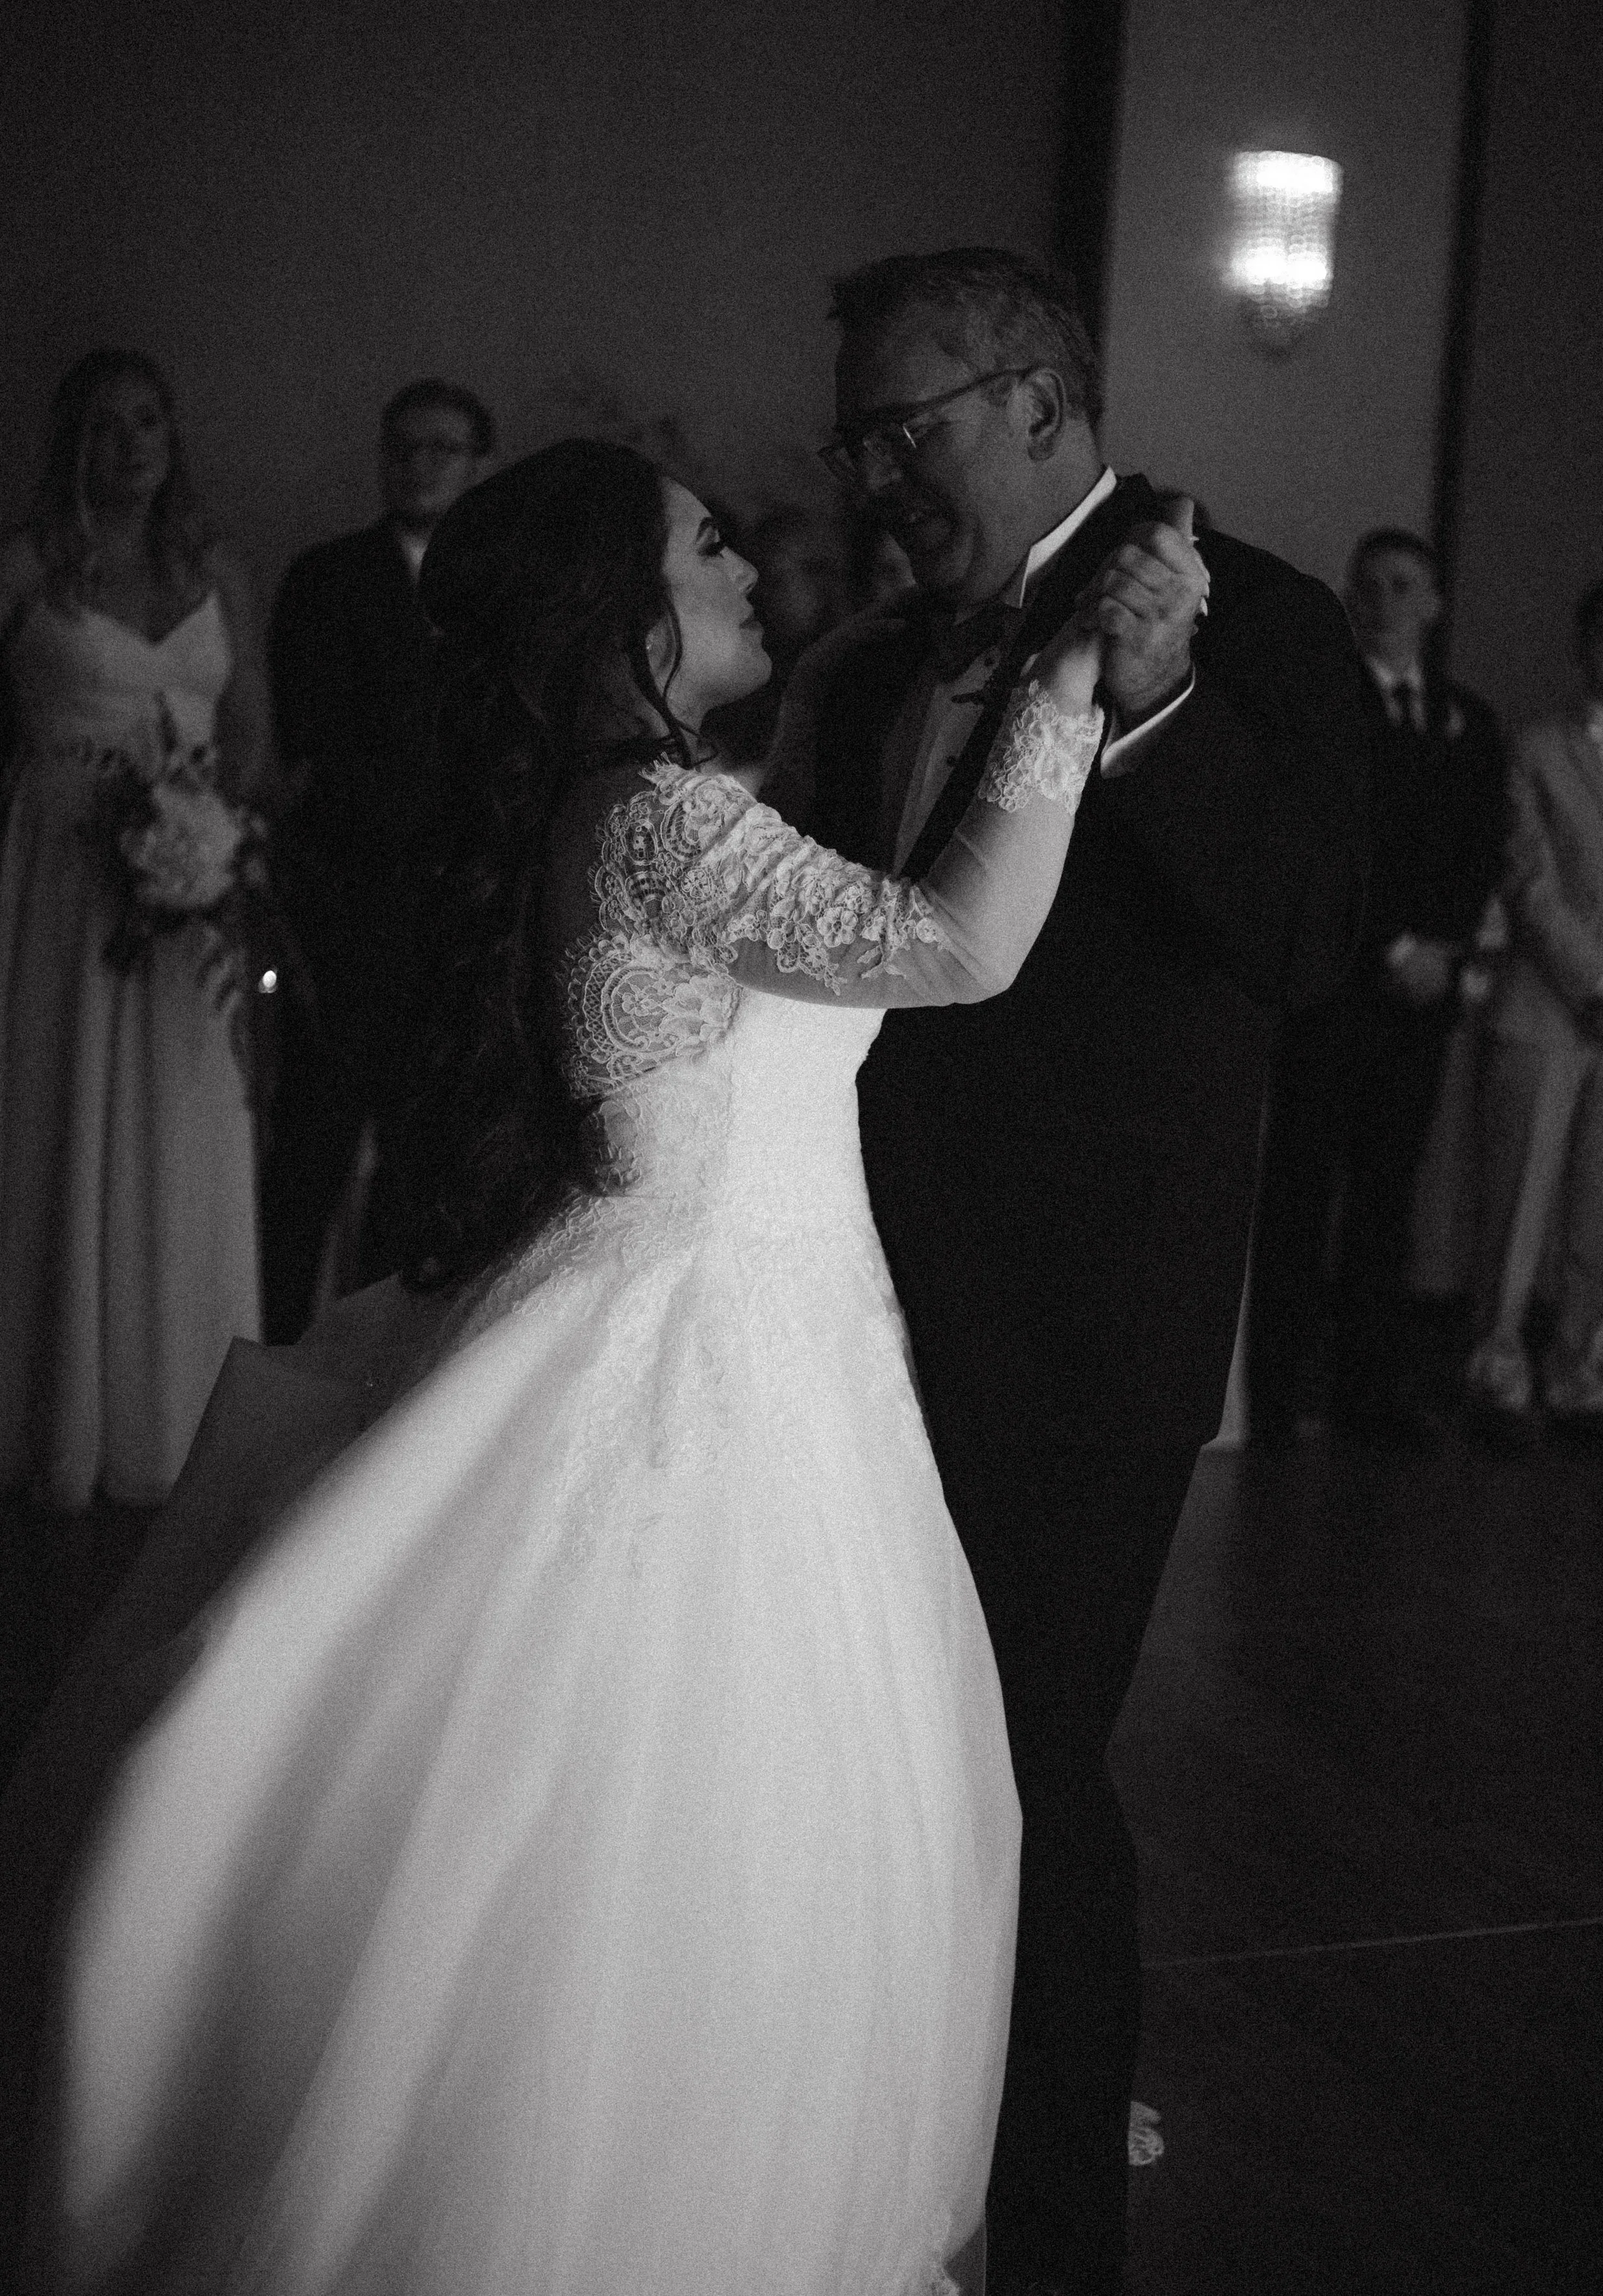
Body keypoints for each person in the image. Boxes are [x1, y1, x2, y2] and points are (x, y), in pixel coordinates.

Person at [21, 438, 1152, 2296]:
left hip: (768, 1340)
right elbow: (956, 940)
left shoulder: (642, 801)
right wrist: (1062, 680)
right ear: (617, 607)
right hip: (713, 1370)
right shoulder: (659, 817)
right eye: (706, 545)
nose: (743, 569)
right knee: (654, 1863)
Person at [768, 247, 1369, 2296]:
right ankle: (883, 2175)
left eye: (903, 429)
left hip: (1083, 1323)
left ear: (1037, 401)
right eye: (856, 437)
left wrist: (1156, 706)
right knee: (882, 1750)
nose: (872, 477)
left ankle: (1048, 2238)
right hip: (841, 1304)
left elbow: (1310, 936)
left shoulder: (1256, 617)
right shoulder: (860, 672)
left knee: (1024, 1755)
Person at [0, 350, 271, 1508]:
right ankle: (53, 1413)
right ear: (74, 443)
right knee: (64, 1111)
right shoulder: (24, 568)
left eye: (150, 419)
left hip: (193, 879)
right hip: (62, 868)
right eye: (108, 425)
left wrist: (221, 837)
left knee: (184, 1115)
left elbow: (254, 722)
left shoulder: (216, 567)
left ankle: (178, 1410)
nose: (133, 442)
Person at [1248, 527, 1506, 1453]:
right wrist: (1396, 943)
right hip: (1340, 987)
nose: (1386, 602)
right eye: (1371, 586)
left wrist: (1446, 948)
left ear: (1434, 603)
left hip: (1426, 995)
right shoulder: (1324, 703)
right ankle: (1275, 1397)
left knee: (1389, 1197)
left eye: (1405, 587)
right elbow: (1334, 836)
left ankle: (1370, 1390)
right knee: (1299, 1194)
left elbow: (1484, 844)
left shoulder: (1468, 718)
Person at [259, 378, 495, 1342]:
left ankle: (379, 1357)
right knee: (311, 1150)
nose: (421, 464)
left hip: (458, 918)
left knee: (422, 1158)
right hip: (346, 903)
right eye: (404, 446)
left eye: (443, 448)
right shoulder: (327, 577)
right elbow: (312, 738)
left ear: (478, 463)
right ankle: (277, 1346)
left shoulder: (498, 584)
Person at [1467, 571, 1603, 1441]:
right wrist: (1597, 982)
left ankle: (1578, 1370)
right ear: (1583, 643)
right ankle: (1496, 1369)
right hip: (1547, 1000)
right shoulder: (1536, 746)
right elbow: (1528, 882)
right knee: (1518, 1197)